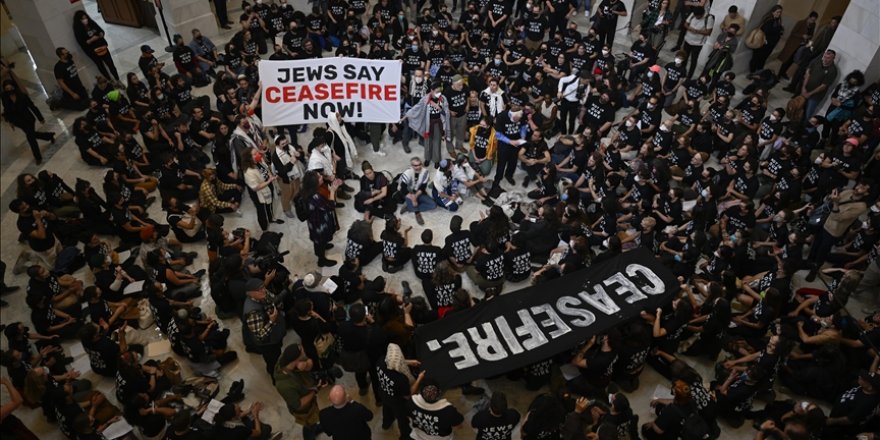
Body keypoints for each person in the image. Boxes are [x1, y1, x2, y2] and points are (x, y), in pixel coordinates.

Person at [274, 343, 327, 440]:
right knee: (309, 424)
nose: (305, 355)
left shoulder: (287, 358)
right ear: (295, 360)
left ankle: (314, 428)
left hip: (307, 392)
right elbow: (298, 405)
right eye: (302, 355)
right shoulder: (284, 385)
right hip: (304, 410)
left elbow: (309, 362)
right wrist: (315, 390)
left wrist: (306, 365)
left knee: (313, 423)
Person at [241, 278, 286, 380]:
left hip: (275, 334)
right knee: (273, 360)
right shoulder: (252, 312)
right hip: (267, 343)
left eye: (263, 287)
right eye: (259, 290)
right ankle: (276, 377)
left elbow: (274, 300)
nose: (263, 291)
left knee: (278, 352)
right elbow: (260, 335)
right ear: (250, 294)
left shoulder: (262, 294)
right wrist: (272, 321)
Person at [2, 80, 55, 164]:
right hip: (18, 122)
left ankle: (38, 157)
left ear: (14, 87)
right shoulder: (4, 97)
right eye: (7, 89)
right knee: (32, 134)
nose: (9, 90)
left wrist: (40, 118)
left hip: (28, 120)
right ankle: (49, 136)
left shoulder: (23, 96)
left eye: (11, 88)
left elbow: (32, 107)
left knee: (30, 138)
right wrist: (10, 121)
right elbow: (7, 110)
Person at [302, 170, 339, 267]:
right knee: (319, 240)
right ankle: (321, 260)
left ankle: (323, 246)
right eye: (319, 177)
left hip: (315, 221)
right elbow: (331, 205)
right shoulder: (315, 197)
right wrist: (332, 191)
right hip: (319, 224)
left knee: (319, 240)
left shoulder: (308, 190)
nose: (321, 177)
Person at [72, 11, 118, 81]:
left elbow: (101, 31)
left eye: (85, 18)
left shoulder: (91, 23)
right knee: (101, 66)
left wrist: (101, 34)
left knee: (110, 64)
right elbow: (82, 43)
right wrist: (91, 40)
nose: (85, 20)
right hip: (92, 51)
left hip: (102, 47)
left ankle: (117, 79)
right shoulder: (78, 30)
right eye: (82, 19)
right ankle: (110, 80)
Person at [801, 49, 839, 121]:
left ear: (833, 58)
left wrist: (810, 93)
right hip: (805, 90)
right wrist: (803, 87)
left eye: (828, 58)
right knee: (799, 107)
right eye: (825, 56)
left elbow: (823, 86)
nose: (825, 59)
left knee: (808, 113)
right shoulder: (817, 61)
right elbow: (808, 72)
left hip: (815, 96)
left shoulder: (832, 70)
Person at [398, 157, 436, 225]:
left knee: (433, 205)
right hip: (408, 192)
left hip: (418, 192)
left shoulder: (425, 172)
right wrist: (413, 198)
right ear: (412, 166)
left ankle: (409, 208)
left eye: (420, 164)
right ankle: (417, 213)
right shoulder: (407, 173)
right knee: (414, 204)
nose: (418, 167)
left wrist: (415, 197)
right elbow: (403, 189)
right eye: (415, 165)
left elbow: (422, 187)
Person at [749, 6, 785, 73]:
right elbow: (765, 31)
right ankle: (752, 72)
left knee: (763, 59)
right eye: (777, 12)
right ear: (773, 12)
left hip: (770, 44)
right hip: (764, 43)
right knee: (756, 58)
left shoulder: (777, 21)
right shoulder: (769, 20)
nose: (779, 14)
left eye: (780, 12)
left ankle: (759, 71)